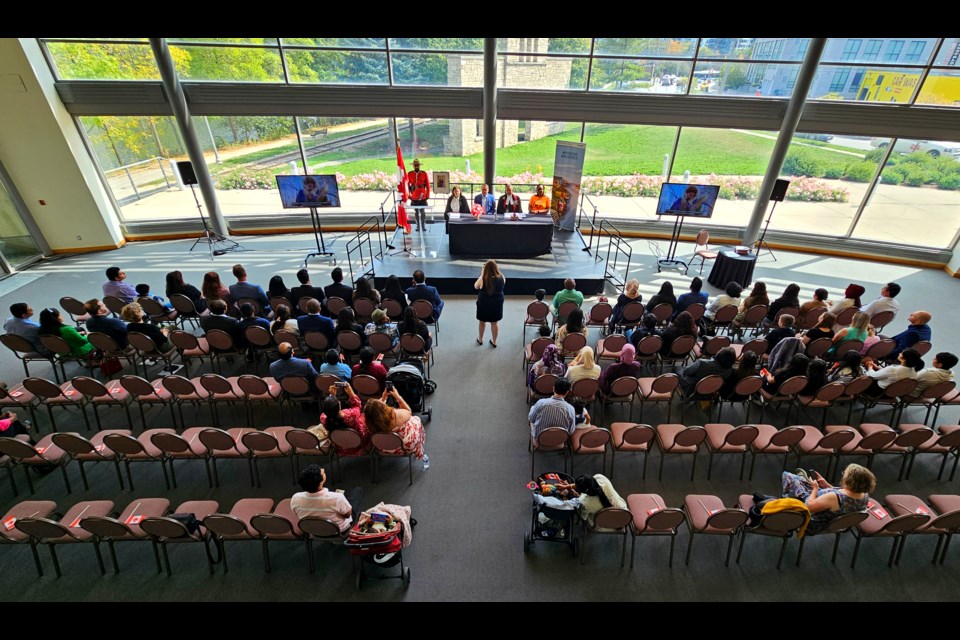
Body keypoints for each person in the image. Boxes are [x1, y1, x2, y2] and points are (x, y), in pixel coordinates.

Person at [778, 464, 874, 536]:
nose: (843, 475)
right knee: (799, 481)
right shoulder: (864, 494)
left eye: (845, 474)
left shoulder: (834, 497)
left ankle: (785, 505)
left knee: (789, 477)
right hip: (833, 516)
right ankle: (802, 483)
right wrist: (827, 485)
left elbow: (808, 506)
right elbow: (842, 494)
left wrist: (815, 489)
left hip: (814, 521)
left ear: (850, 481)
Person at [363, 385, 428, 464]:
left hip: (383, 447)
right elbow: (408, 411)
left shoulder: (370, 422)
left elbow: (376, 413)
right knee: (415, 419)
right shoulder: (395, 416)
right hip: (403, 448)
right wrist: (398, 396)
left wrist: (383, 398)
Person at [290, 464, 363, 533]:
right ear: (320, 483)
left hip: (312, 530)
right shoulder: (337, 497)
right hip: (339, 531)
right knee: (357, 491)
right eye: (323, 473)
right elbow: (347, 515)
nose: (323, 470)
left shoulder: (295, 498)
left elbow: (296, 513)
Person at [320, 383, 370, 457]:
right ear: (339, 405)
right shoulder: (351, 415)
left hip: (340, 447)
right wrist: (350, 392)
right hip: (359, 446)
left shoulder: (324, 419)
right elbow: (357, 405)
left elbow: (328, 410)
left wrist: (331, 396)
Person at [474, 259, 505, 347]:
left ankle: (480, 340)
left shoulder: (482, 278)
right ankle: (494, 341)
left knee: (482, 322)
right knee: (494, 323)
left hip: (484, 304)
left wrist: (482, 274)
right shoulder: (502, 276)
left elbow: (476, 286)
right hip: (497, 304)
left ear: (485, 269)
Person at [406, 158, 430, 230]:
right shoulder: (410, 174)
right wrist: (409, 195)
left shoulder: (423, 173)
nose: (416, 166)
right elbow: (407, 186)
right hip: (414, 196)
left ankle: (423, 225)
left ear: (419, 166)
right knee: (416, 212)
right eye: (415, 165)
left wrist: (427, 195)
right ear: (413, 166)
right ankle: (418, 226)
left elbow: (428, 185)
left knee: (422, 211)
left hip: (422, 195)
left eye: (417, 165)